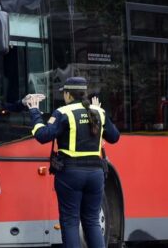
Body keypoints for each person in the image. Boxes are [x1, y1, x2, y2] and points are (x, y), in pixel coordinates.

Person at [25, 76, 120, 248]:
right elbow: (114, 137)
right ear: (84, 93)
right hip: (95, 174)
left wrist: (34, 112)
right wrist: (99, 114)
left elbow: (42, 135)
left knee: (70, 221)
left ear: (68, 94)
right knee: (92, 221)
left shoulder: (63, 113)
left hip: (70, 174)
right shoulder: (98, 112)